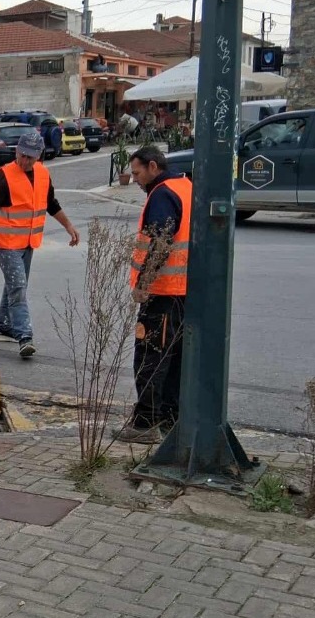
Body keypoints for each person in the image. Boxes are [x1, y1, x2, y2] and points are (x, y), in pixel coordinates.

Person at [0, 130, 80, 359]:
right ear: (16, 151)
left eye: (30, 157)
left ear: (39, 155)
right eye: (21, 155)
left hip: (28, 242)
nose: (24, 161)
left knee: (14, 285)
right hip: (6, 243)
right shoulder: (4, 177)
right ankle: (24, 337)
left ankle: (4, 327)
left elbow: (51, 203)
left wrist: (68, 226)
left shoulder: (43, 175)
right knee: (18, 287)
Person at [116, 146, 192, 444]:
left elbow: (161, 240)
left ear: (152, 166)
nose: (134, 179)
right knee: (172, 359)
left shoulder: (161, 193)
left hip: (162, 292)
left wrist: (143, 284)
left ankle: (145, 422)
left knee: (149, 357)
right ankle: (170, 418)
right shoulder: (185, 186)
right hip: (182, 292)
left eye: (136, 173)